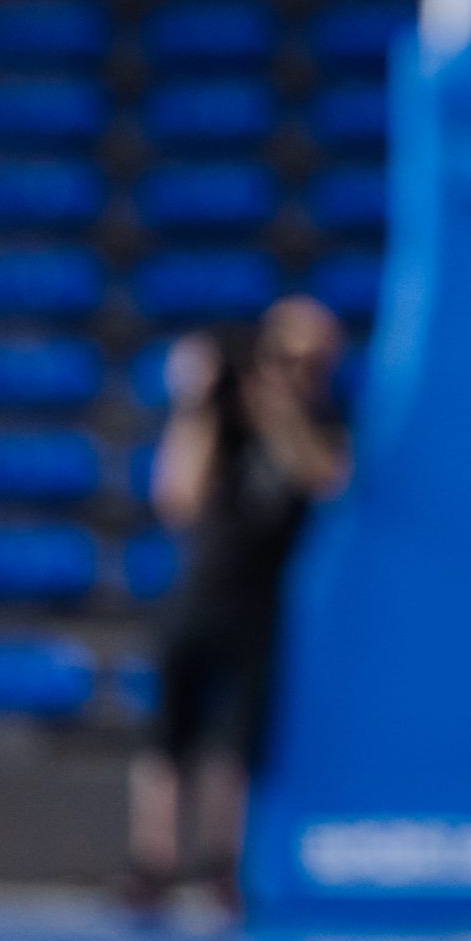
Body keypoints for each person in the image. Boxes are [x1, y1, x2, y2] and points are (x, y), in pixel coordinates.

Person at [128, 296, 348, 909]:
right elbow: (177, 498)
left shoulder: (321, 419)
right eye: (283, 356)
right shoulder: (219, 419)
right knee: (168, 738)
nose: (296, 370)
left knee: (237, 745)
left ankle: (219, 867)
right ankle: (151, 863)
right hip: (198, 595)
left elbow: (323, 476)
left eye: (312, 361)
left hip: (261, 605)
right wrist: (195, 404)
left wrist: (279, 408)